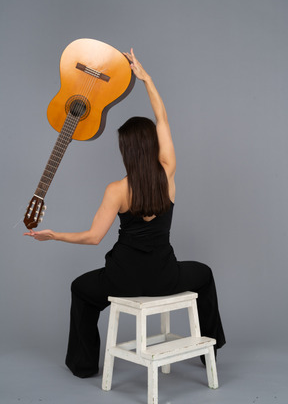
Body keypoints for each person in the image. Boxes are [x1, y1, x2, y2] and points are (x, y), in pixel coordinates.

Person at [24, 49, 226, 378]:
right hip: (166, 277)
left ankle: (84, 365)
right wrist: (147, 80)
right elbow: (163, 120)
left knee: (80, 288)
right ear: (152, 147)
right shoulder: (168, 174)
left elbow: (92, 238)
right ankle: (210, 352)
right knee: (204, 275)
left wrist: (54, 235)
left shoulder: (116, 190)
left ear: (126, 151)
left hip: (120, 280)